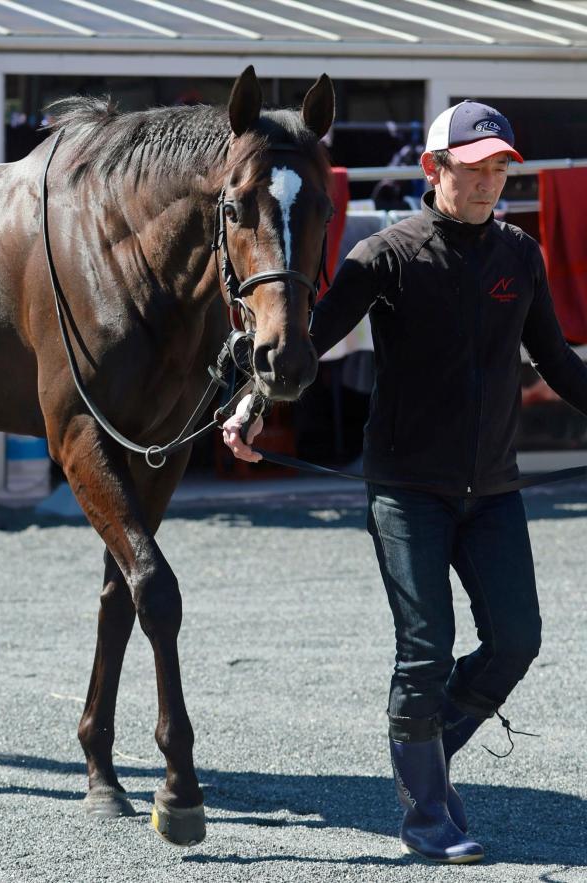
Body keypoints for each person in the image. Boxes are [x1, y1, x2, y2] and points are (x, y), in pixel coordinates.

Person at [223, 100, 587, 864]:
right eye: (475, 166)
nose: (489, 181)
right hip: (405, 489)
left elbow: (556, 362)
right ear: (435, 168)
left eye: (500, 169)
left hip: (491, 490)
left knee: (517, 640)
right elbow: (308, 341)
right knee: (425, 651)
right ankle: (429, 817)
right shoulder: (384, 256)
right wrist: (254, 403)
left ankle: (422, 744)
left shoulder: (520, 255)